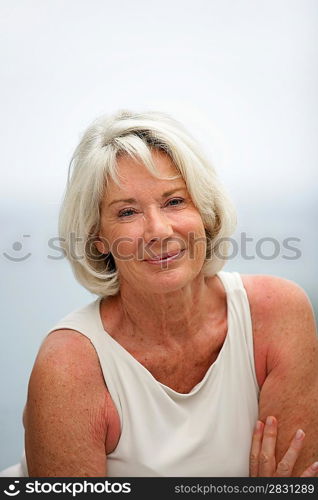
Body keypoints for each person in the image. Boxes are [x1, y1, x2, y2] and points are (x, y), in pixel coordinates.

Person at [6, 110, 318, 477]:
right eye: (127, 212)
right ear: (98, 238)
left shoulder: (277, 314)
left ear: (205, 211)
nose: (158, 230)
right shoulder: (69, 367)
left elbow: (298, 484)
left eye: (174, 201)